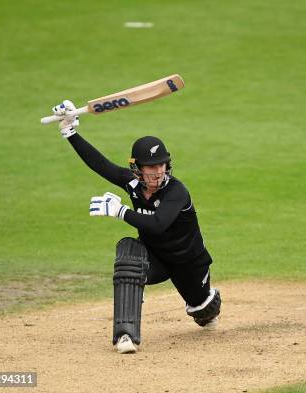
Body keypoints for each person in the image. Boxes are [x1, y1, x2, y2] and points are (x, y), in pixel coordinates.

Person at [50, 100, 221, 354]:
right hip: (155, 258)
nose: (158, 171)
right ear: (137, 169)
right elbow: (101, 165)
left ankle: (206, 306)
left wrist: (120, 211)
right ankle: (125, 336)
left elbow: (158, 224)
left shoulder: (176, 191)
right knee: (129, 260)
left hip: (188, 261)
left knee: (203, 310)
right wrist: (70, 132)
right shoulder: (132, 184)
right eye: (152, 166)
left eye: (162, 165)